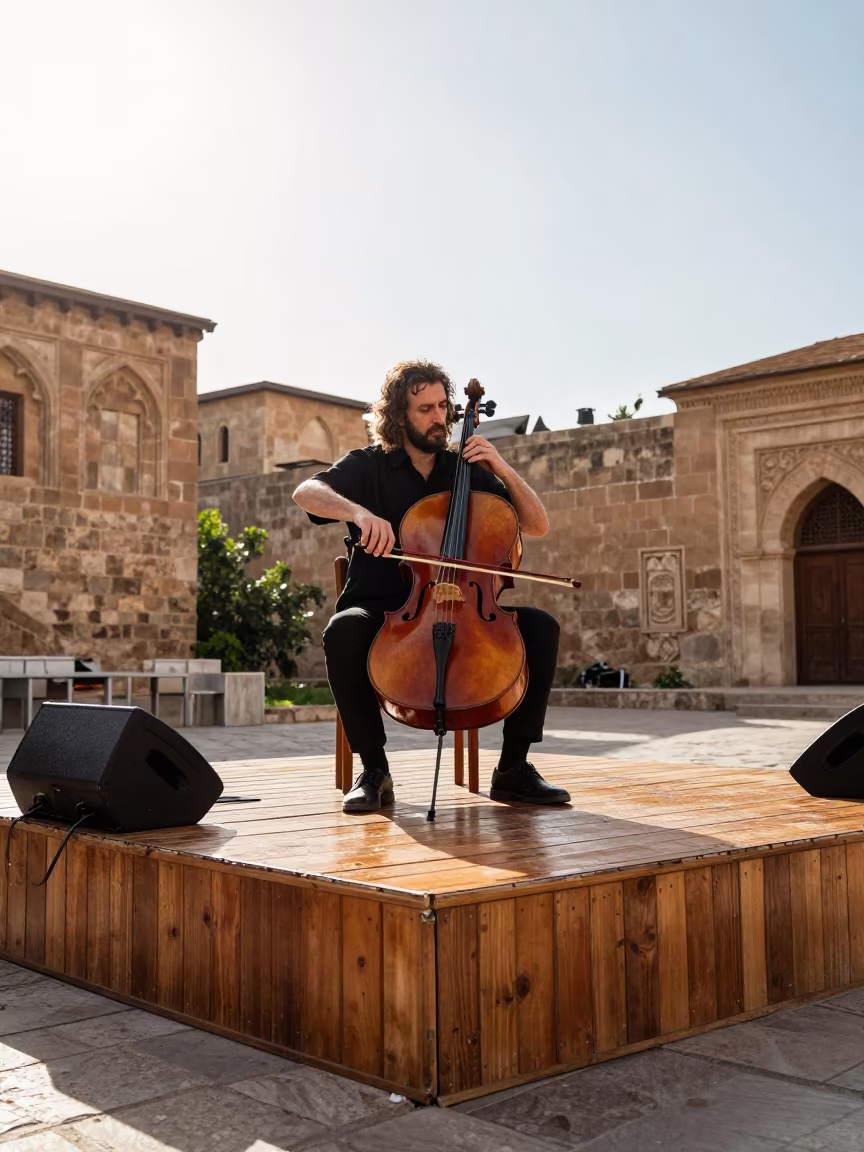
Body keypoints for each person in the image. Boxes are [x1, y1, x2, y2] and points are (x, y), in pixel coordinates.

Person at [292, 360, 569, 813]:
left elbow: (536, 525)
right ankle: (374, 771)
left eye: (443, 406)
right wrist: (358, 514)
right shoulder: (369, 465)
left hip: (467, 610)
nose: (439, 417)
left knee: (541, 628)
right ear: (400, 416)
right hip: (384, 614)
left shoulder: (466, 470)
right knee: (341, 631)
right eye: (425, 408)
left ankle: (514, 769)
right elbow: (306, 491)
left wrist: (500, 464)